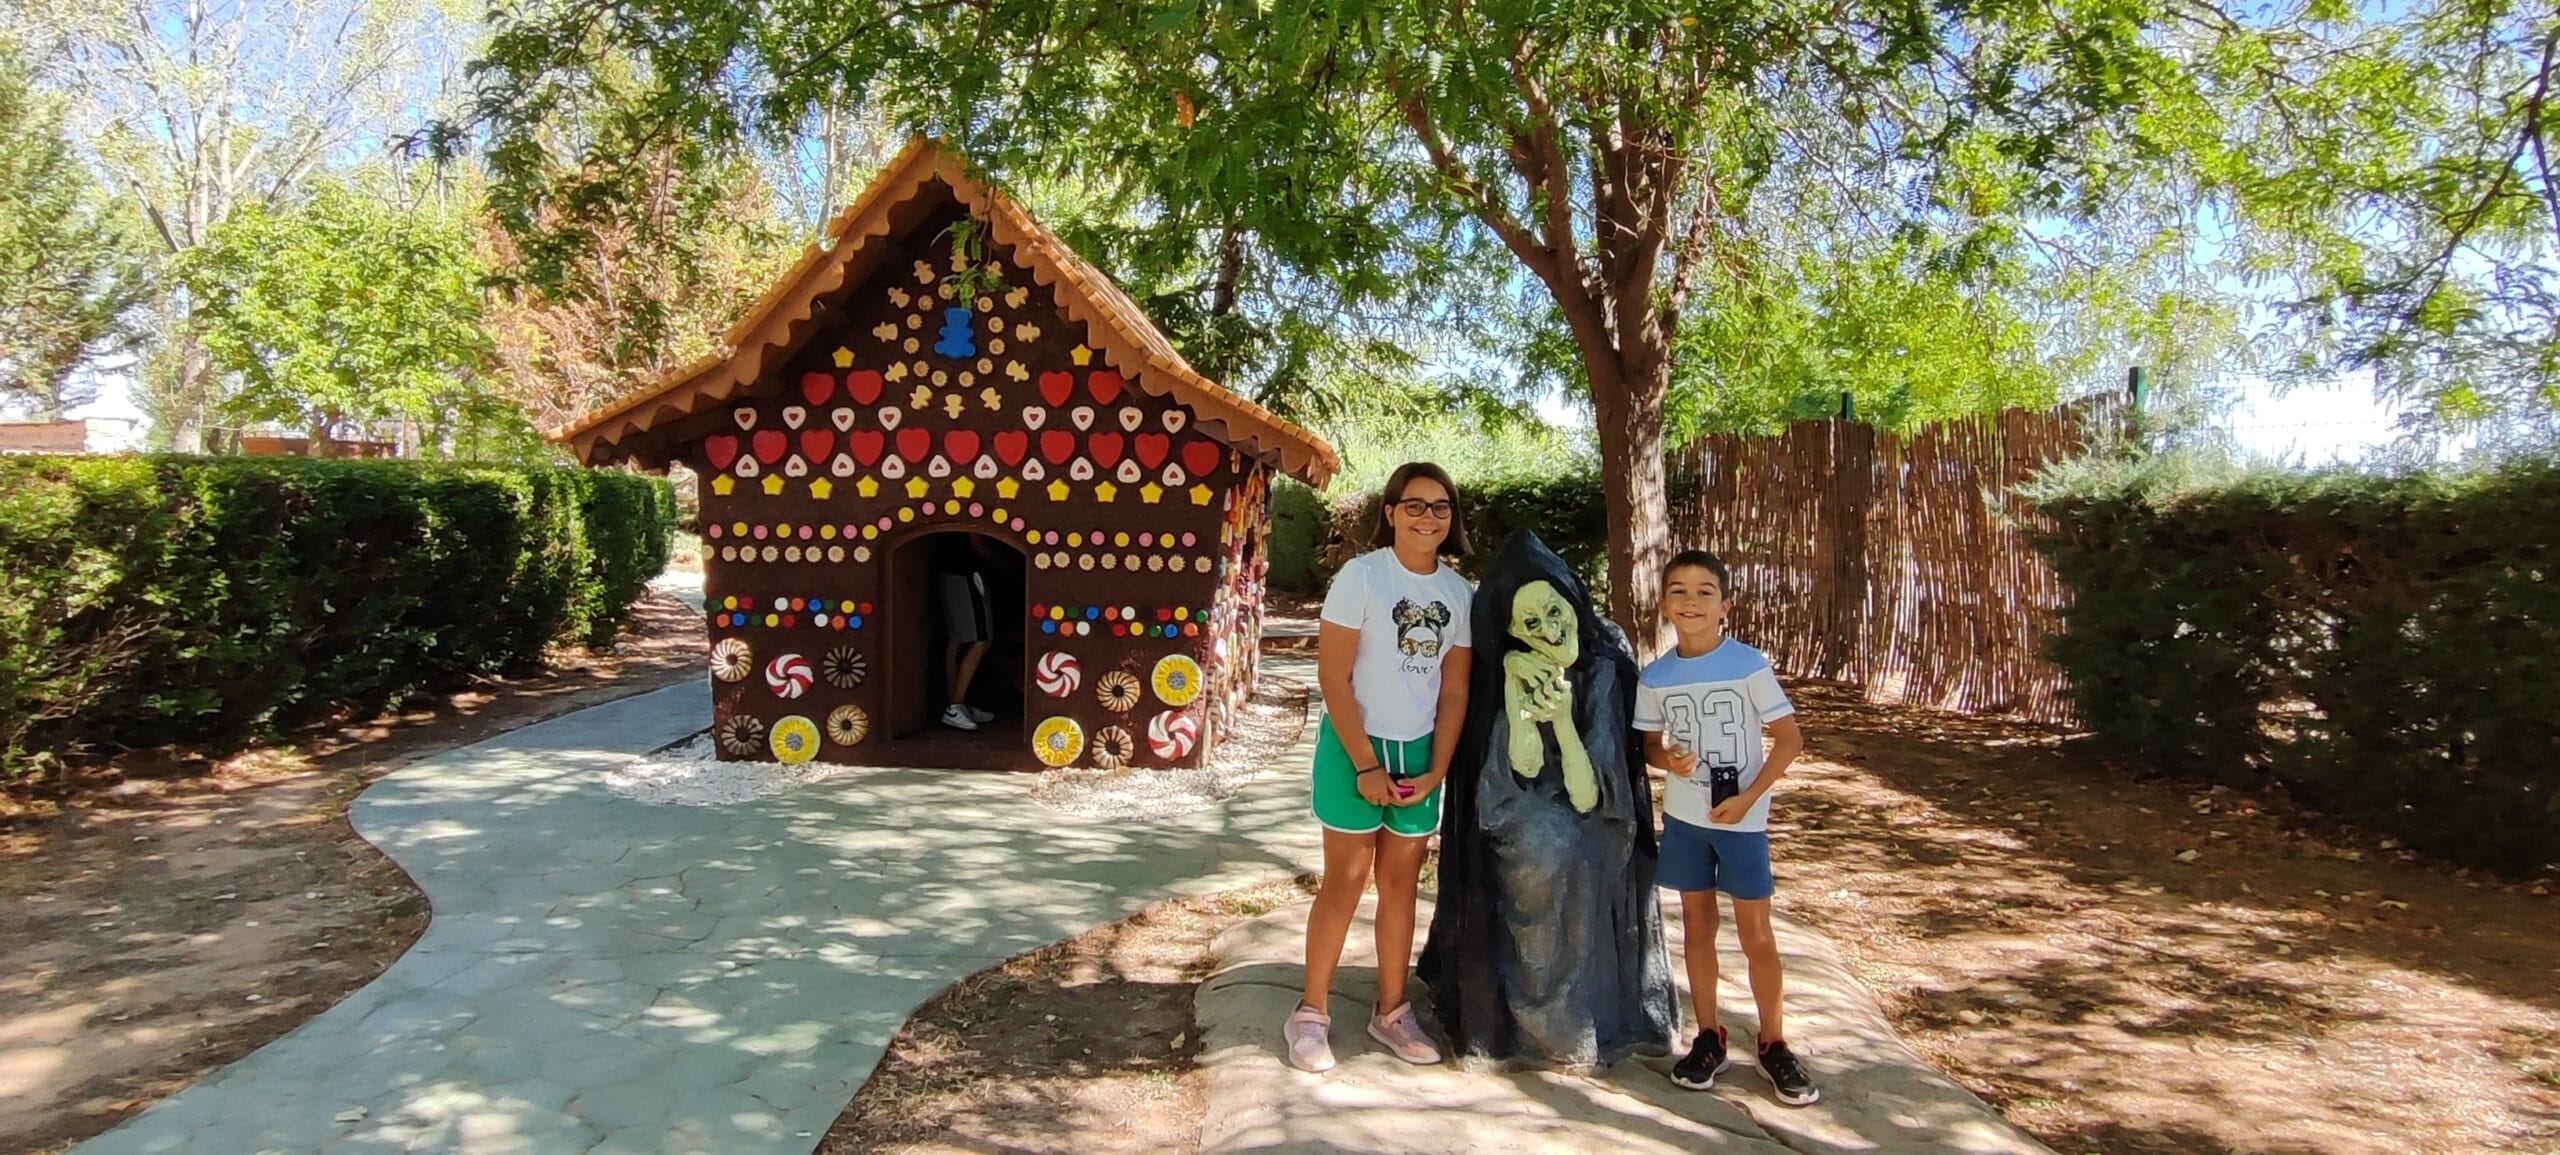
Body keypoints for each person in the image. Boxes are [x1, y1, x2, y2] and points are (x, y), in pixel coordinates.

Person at [1287, 462, 1474, 1073]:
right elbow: (1332, 677)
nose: (1428, 517)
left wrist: (1437, 768)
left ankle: (1391, 1012)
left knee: (1400, 885)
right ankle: (1311, 1014)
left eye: (1440, 506)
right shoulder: (1361, 576)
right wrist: (1366, 764)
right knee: (1344, 880)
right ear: (1390, 513)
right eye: (1414, 505)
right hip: (1354, 751)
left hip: (1417, 754)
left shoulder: (1457, 593)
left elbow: (1453, 692)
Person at [1632, 549, 1819, 1106]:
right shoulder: (1656, 675)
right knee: (1696, 925)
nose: (1691, 601)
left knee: (1756, 931)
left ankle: (1773, 1042)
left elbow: (1789, 740)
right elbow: (1649, 748)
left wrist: (1748, 799)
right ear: (1664, 603)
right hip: (1687, 820)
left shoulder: (1746, 664)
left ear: (1725, 606)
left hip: (1742, 822)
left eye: (1705, 591)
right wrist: (1670, 762)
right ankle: (1708, 1036)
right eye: (1679, 591)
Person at [936, 535, 1000, 731]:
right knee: (981, 640)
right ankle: (955, 706)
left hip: (949, 573)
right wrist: (1004, 562)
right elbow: (977, 542)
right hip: (966, 575)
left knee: (955, 640)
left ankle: (956, 705)